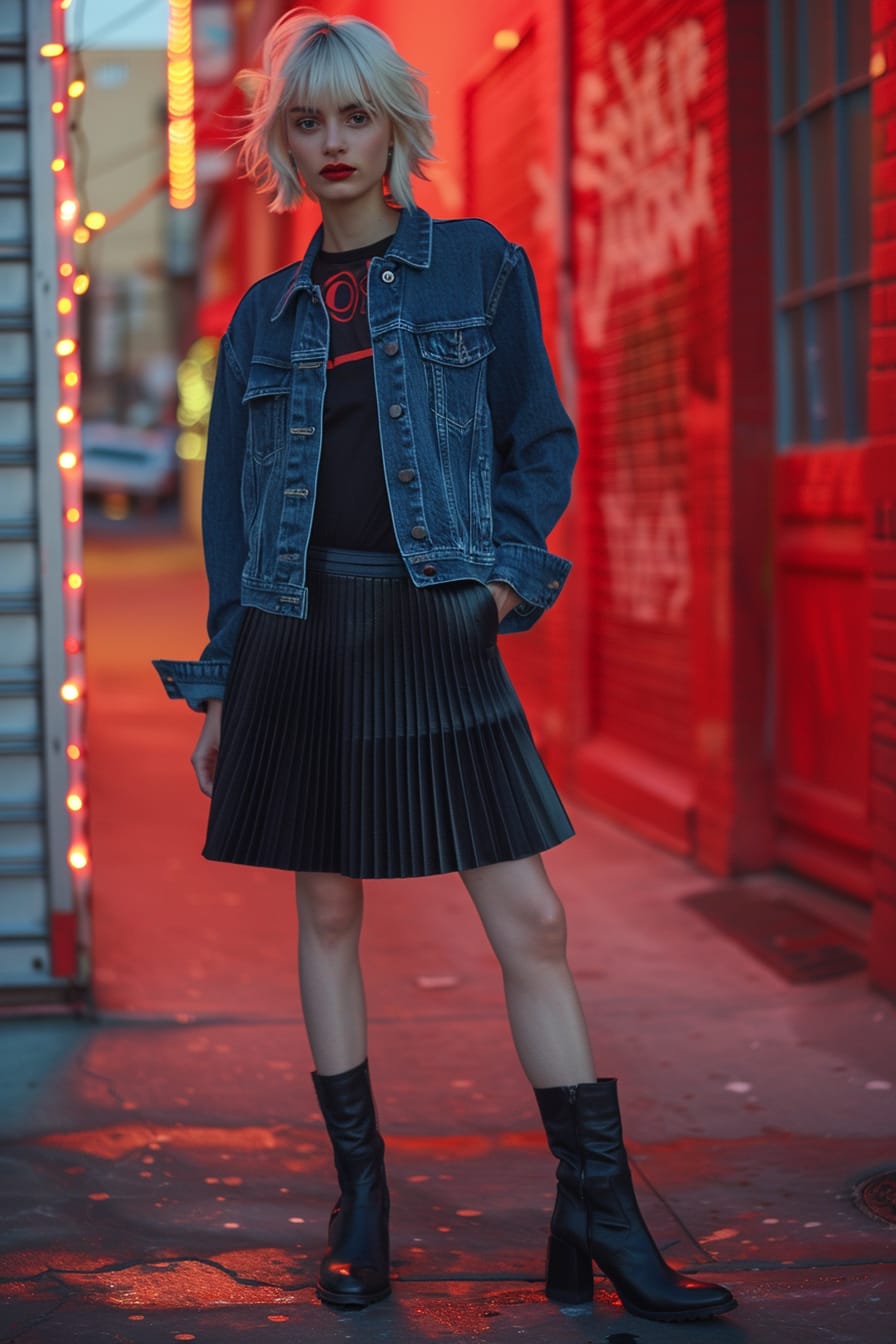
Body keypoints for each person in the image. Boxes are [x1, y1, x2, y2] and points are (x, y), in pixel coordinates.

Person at [154, 7, 736, 1323]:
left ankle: (601, 1213)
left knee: (530, 917)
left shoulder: (480, 268)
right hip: (300, 638)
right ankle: (362, 1200)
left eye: (355, 116)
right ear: (285, 148)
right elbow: (235, 523)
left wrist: (499, 584)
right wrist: (222, 682)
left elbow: (543, 440)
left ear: (395, 123)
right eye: (308, 122)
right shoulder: (263, 315)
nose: (334, 141)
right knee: (328, 914)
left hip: (436, 630)